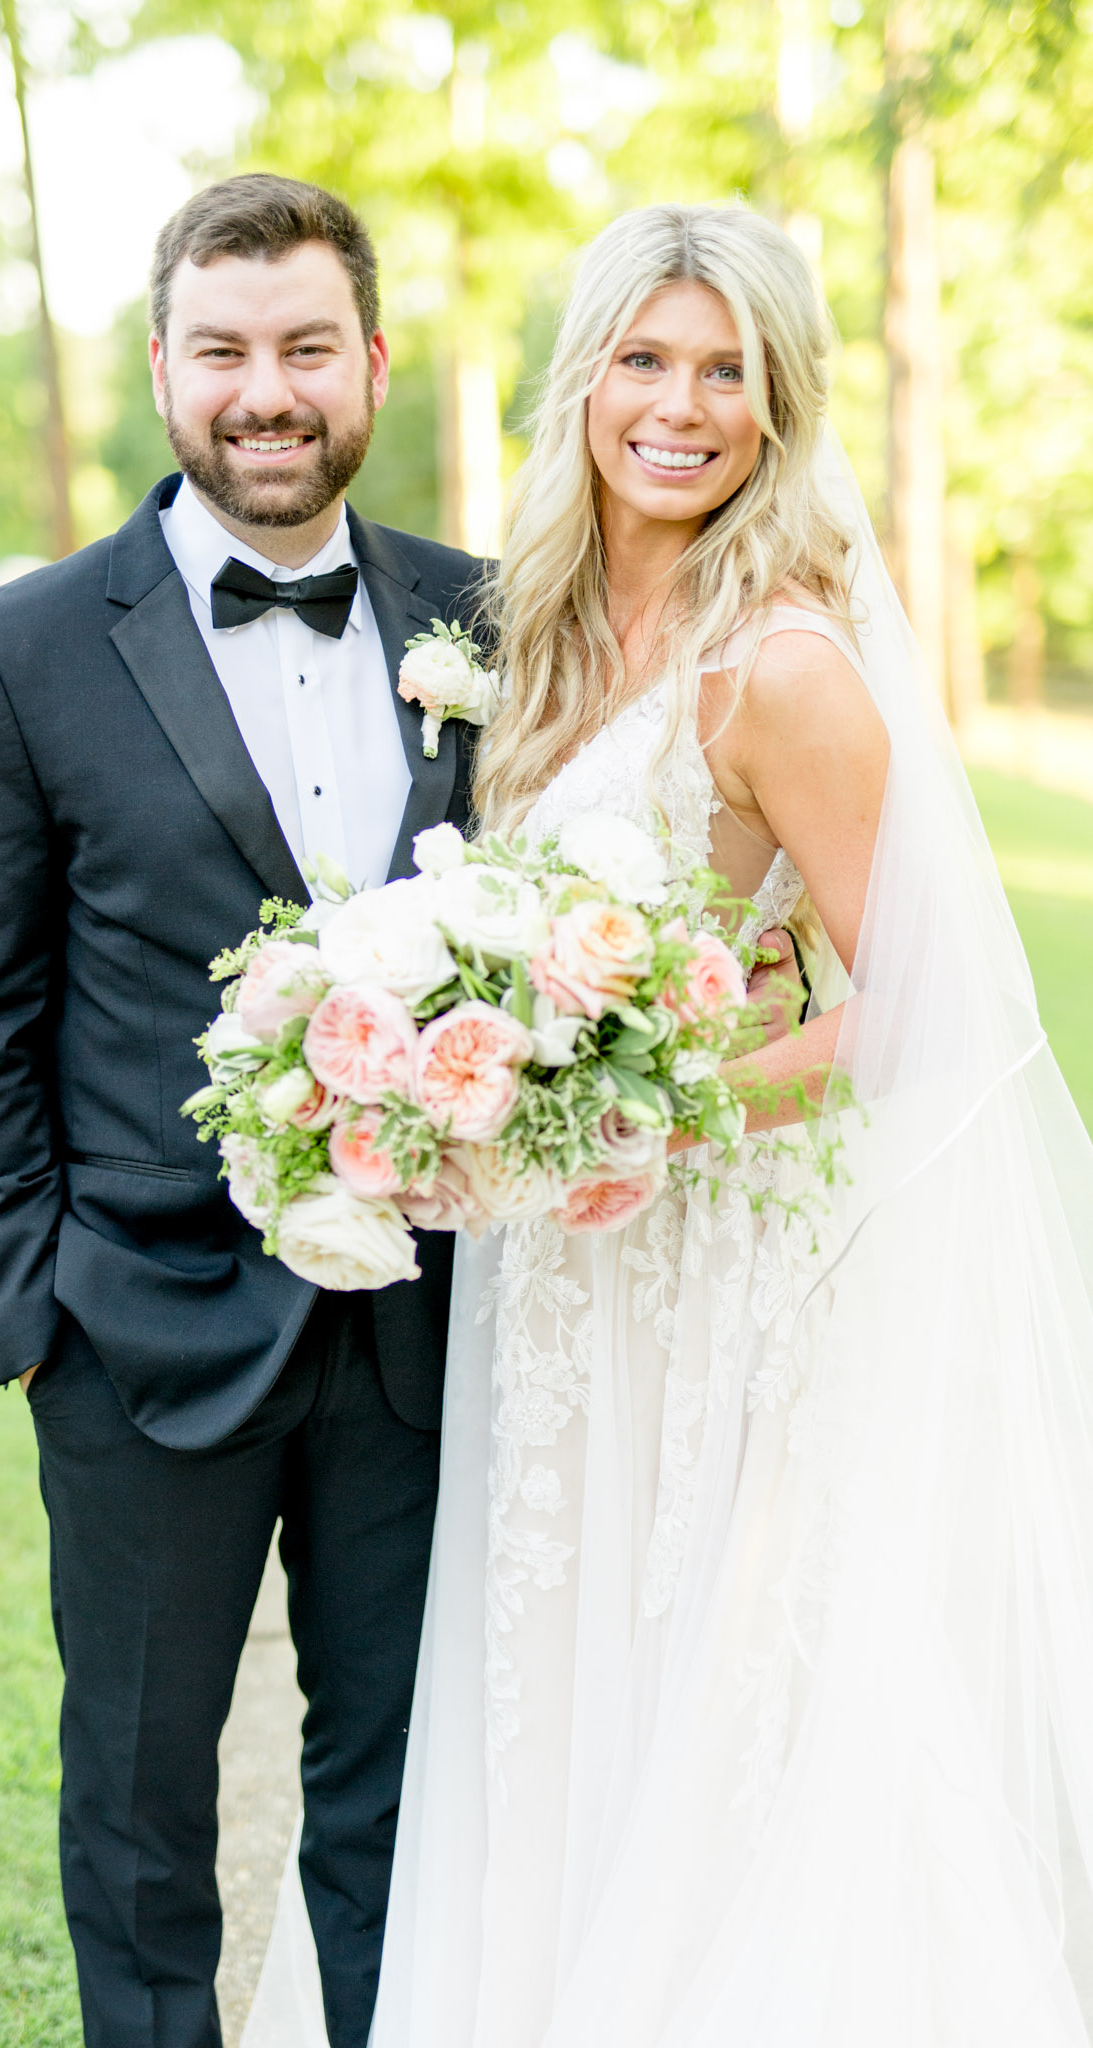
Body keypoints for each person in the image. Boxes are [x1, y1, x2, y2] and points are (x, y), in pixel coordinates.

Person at [245, 203, 1093, 2048]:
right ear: (587, 379)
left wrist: (639, 1109)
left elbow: (942, 1019)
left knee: (702, 1688)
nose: (682, 409)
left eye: (728, 372)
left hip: (705, 1267)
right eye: (645, 359)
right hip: (554, 1284)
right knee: (547, 1674)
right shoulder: (532, 631)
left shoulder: (778, 664)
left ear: (780, 404)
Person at [0, 173, 488, 2048]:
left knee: (398, 1796)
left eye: (306, 347)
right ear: (162, 368)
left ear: (371, 365)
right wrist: (34, 1316)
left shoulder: (485, 618)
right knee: (144, 1813)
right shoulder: (22, 648)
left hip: (426, 1328)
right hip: (136, 1332)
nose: (266, 390)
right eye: (223, 349)